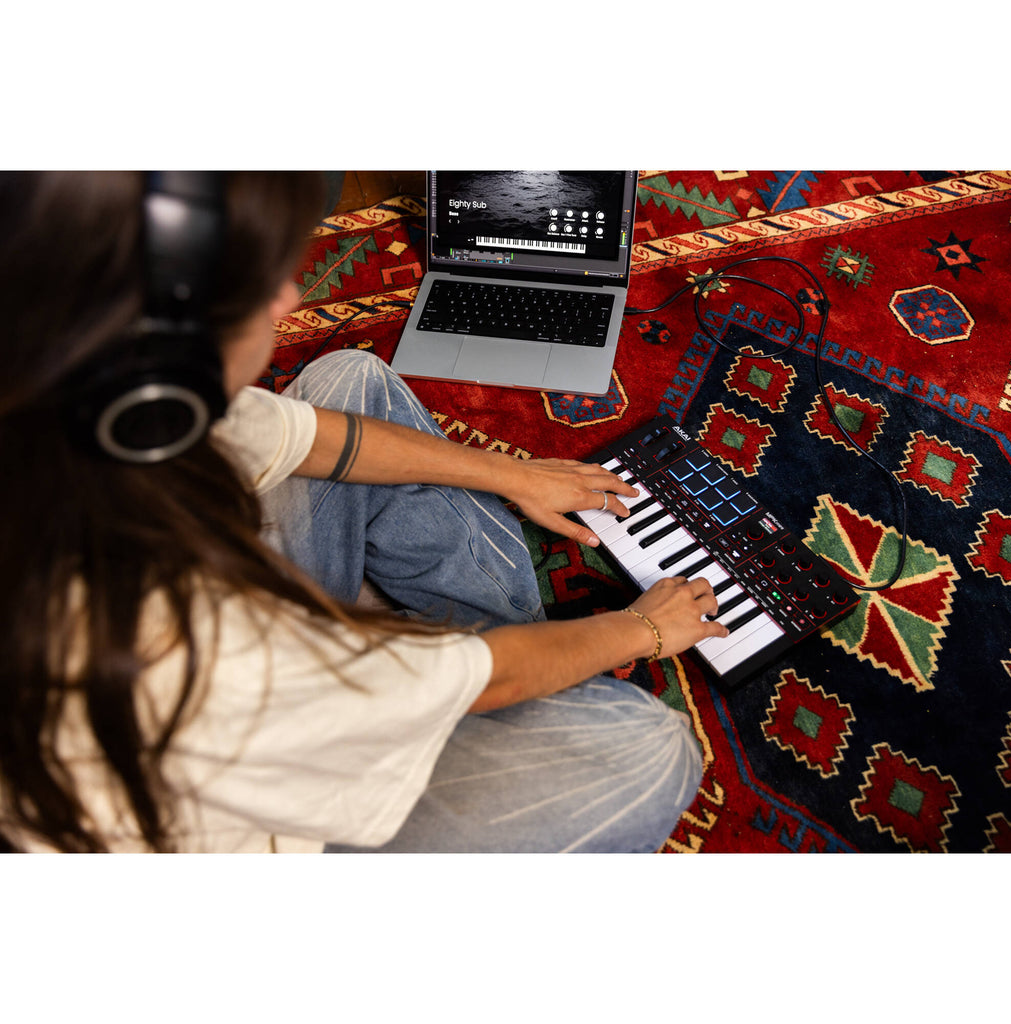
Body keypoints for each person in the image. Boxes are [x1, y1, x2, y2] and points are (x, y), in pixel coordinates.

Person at [0, 171, 728, 853]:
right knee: (646, 752)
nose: (287, 299)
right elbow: (482, 681)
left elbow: (320, 438)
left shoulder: (87, 397)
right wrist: (640, 628)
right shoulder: (168, 642)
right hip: (244, 788)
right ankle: (519, 649)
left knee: (348, 378)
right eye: (251, 289)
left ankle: (499, 627)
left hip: (245, 666)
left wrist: (518, 474)